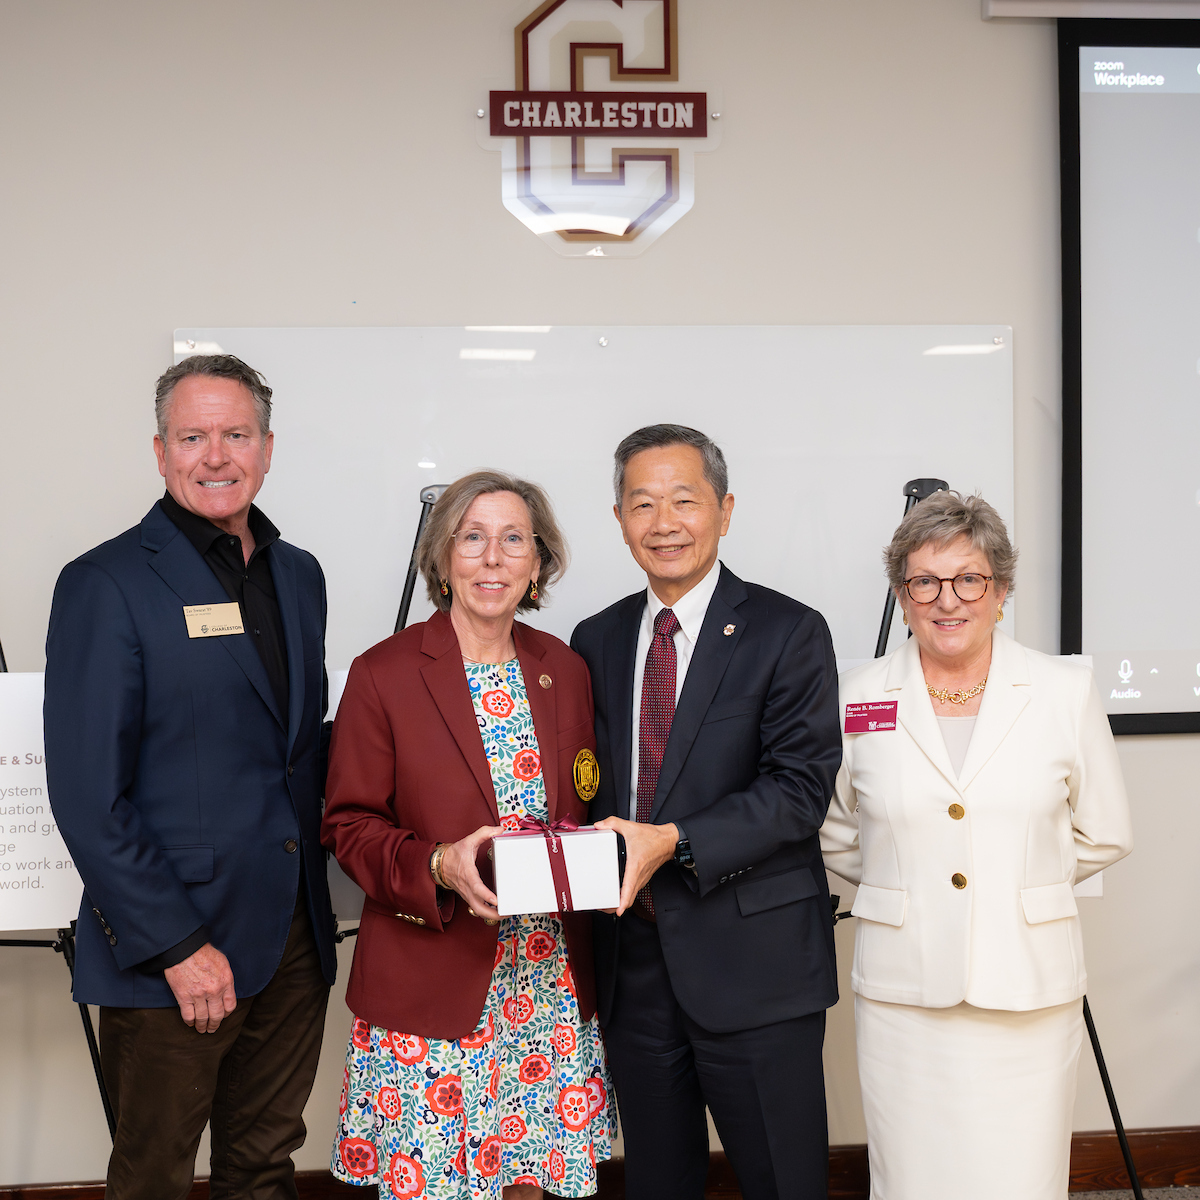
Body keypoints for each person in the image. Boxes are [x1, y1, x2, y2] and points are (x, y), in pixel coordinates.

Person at [43, 354, 337, 1198]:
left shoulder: (299, 574)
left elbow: (295, 748)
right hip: (174, 950)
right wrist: (176, 945)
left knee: (263, 1167)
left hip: (291, 938)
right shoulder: (106, 583)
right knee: (155, 1177)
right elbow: (87, 794)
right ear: (161, 452)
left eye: (236, 435)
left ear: (268, 448)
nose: (216, 456)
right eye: (194, 436)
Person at [820, 490, 1133, 1200]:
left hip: (1027, 988)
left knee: (1019, 1177)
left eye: (969, 579)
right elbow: (837, 831)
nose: (947, 599)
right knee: (912, 1177)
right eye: (924, 581)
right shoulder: (857, 693)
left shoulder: (1063, 690)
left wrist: (1019, 878)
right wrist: (916, 879)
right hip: (905, 995)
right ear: (903, 595)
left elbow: (1107, 829)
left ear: (1000, 590)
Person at [322, 470, 615, 1199]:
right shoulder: (383, 673)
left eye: (514, 539)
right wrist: (439, 865)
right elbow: (348, 825)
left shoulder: (566, 669)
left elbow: (584, 800)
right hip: (433, 978)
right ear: (443, 557)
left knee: (527, 1184)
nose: (493, 558)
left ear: (538, 561)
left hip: (545, 979)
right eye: (472, 538)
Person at [569, 425, 842, 1200]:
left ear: (724, 510)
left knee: (782, 1182)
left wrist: (674, 840)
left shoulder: (788, 630)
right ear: (619, 519)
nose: (664, 522)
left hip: (755, 962)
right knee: (658, 1181)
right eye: (642, 503)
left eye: (684, 500)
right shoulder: (596, 638)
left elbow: (799, 788)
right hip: (635, 964)